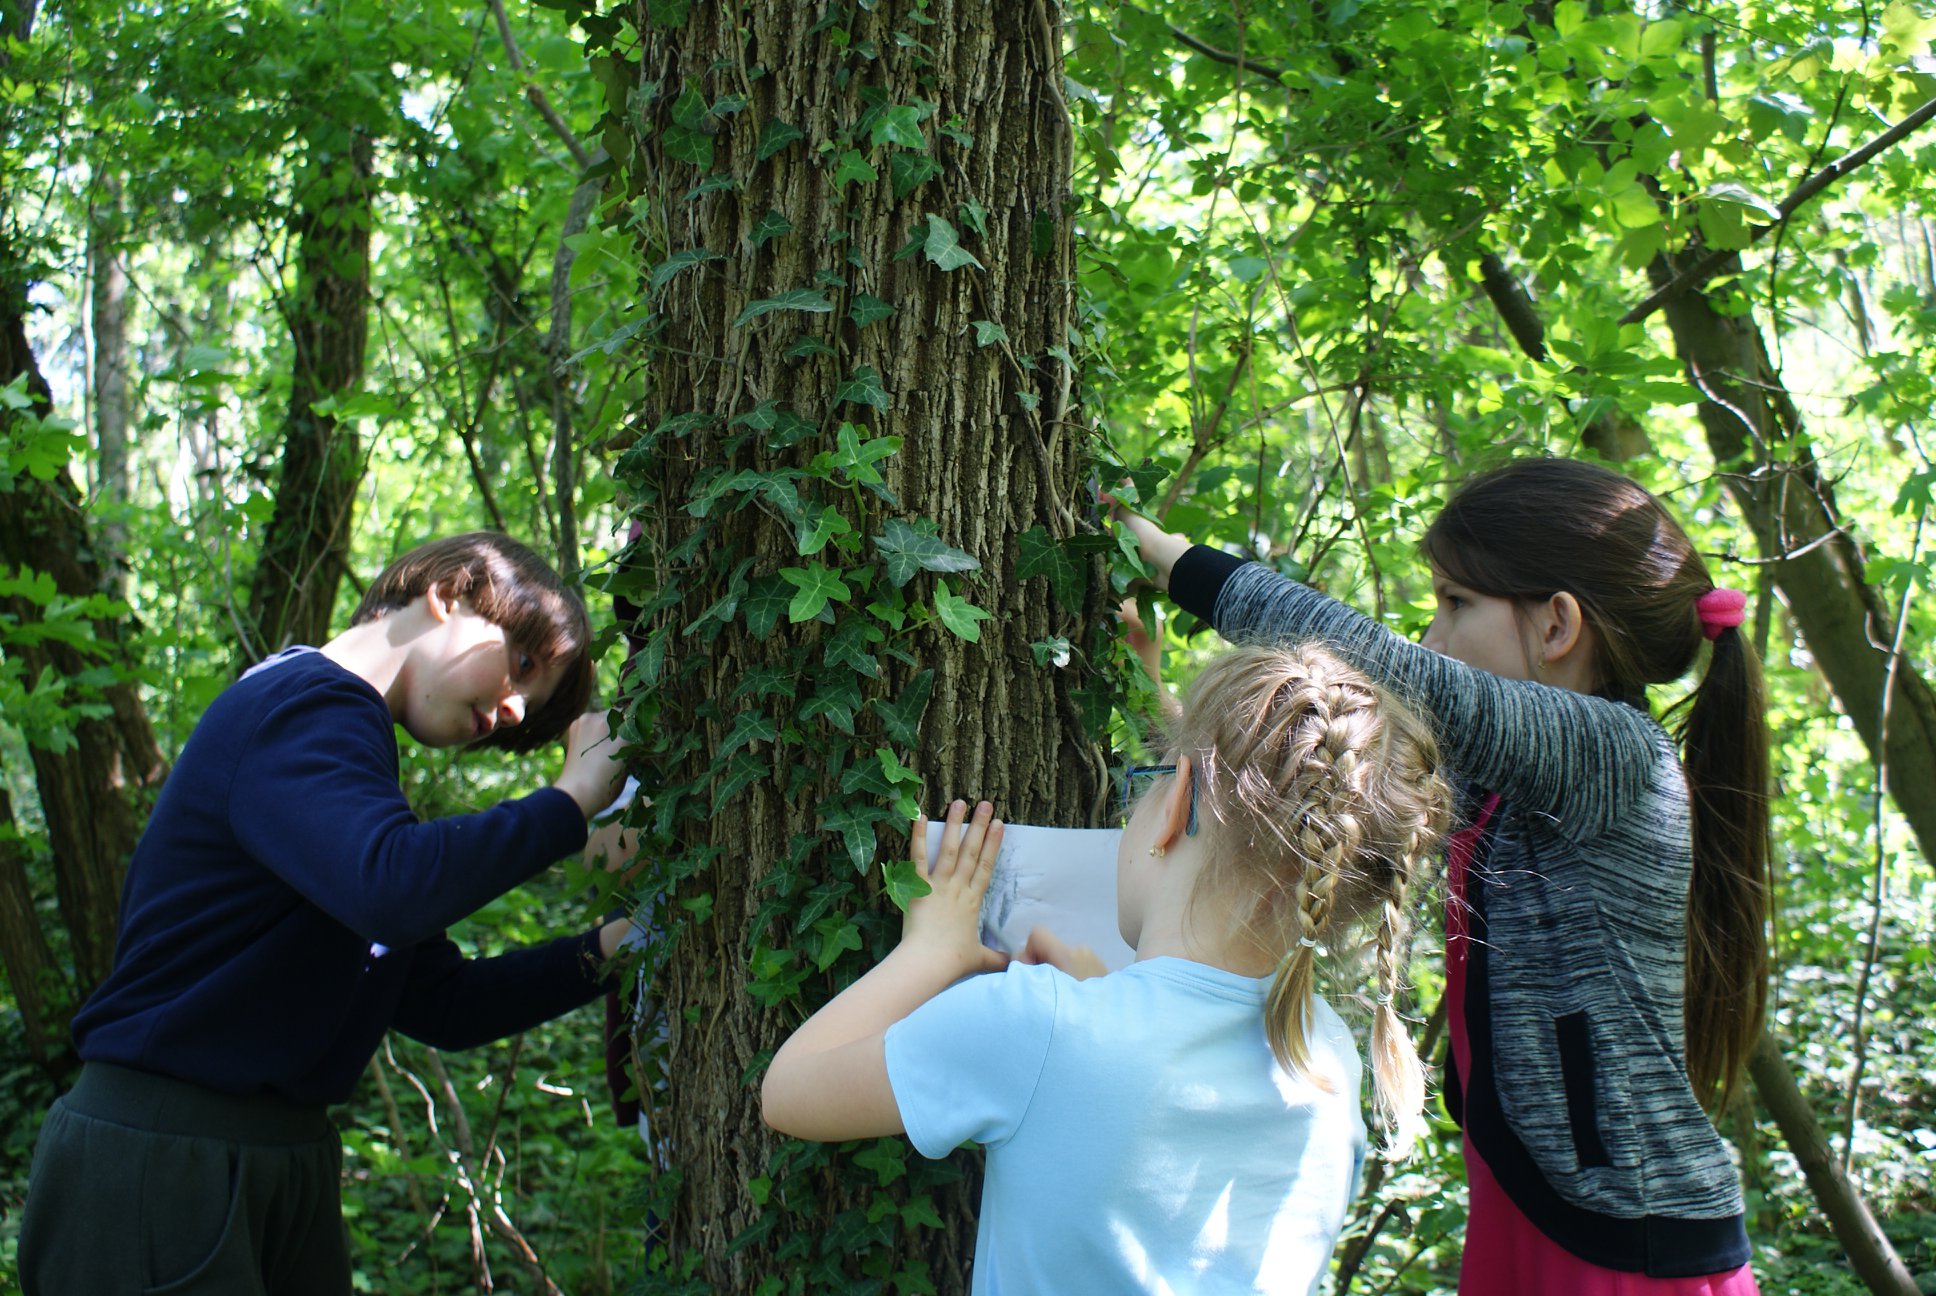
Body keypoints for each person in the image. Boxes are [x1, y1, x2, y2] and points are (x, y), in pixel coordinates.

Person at [1117, 456, 1769, 1293]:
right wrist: (1151, 688)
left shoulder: (1617, 756)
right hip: (1531, 1196)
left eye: (1456, 603)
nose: (1431, 635)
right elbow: (1273, 811)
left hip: (1626, 1237)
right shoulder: (1504, 781)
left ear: (1557, 626)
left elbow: (1402, 676)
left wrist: (1174, 562)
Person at [19, 532, 634, 1296]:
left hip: (273, 1162)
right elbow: (395, 889)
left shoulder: (348, 779)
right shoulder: (301, 704)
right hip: (166, 1161)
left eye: (527, 711)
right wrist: (571, 801)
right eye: (523, 664)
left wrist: (619, 948)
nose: (511, 710)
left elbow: (444, 1003)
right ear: (449, 592)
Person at [762, 642, 1450, 1294]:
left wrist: (928, 954)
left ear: (1174, 807)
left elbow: (789, 1092)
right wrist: (1098, 995)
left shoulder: (1037, 1026)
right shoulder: (1331, 1058)